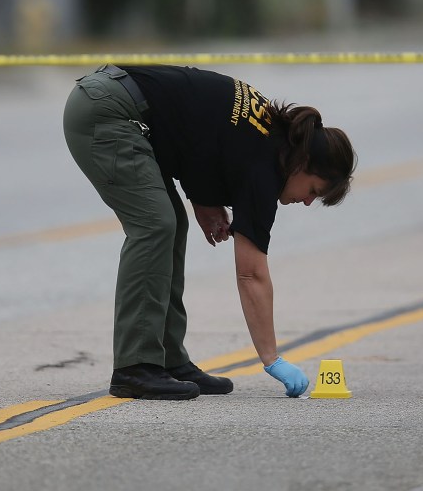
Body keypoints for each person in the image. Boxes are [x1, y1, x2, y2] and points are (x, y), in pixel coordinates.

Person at [63, 64, 356, 400]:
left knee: (171, 222)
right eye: (313, 191)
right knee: (155, 224)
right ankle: (135, 367)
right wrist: (272, 359)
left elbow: (204, 132)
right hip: (108, 112)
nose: (306, 202)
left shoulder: (270, 136)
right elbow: (251, 275)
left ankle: (168, 360)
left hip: (112, 99)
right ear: (303, 165)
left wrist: (202, 196)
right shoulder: (264, 170)